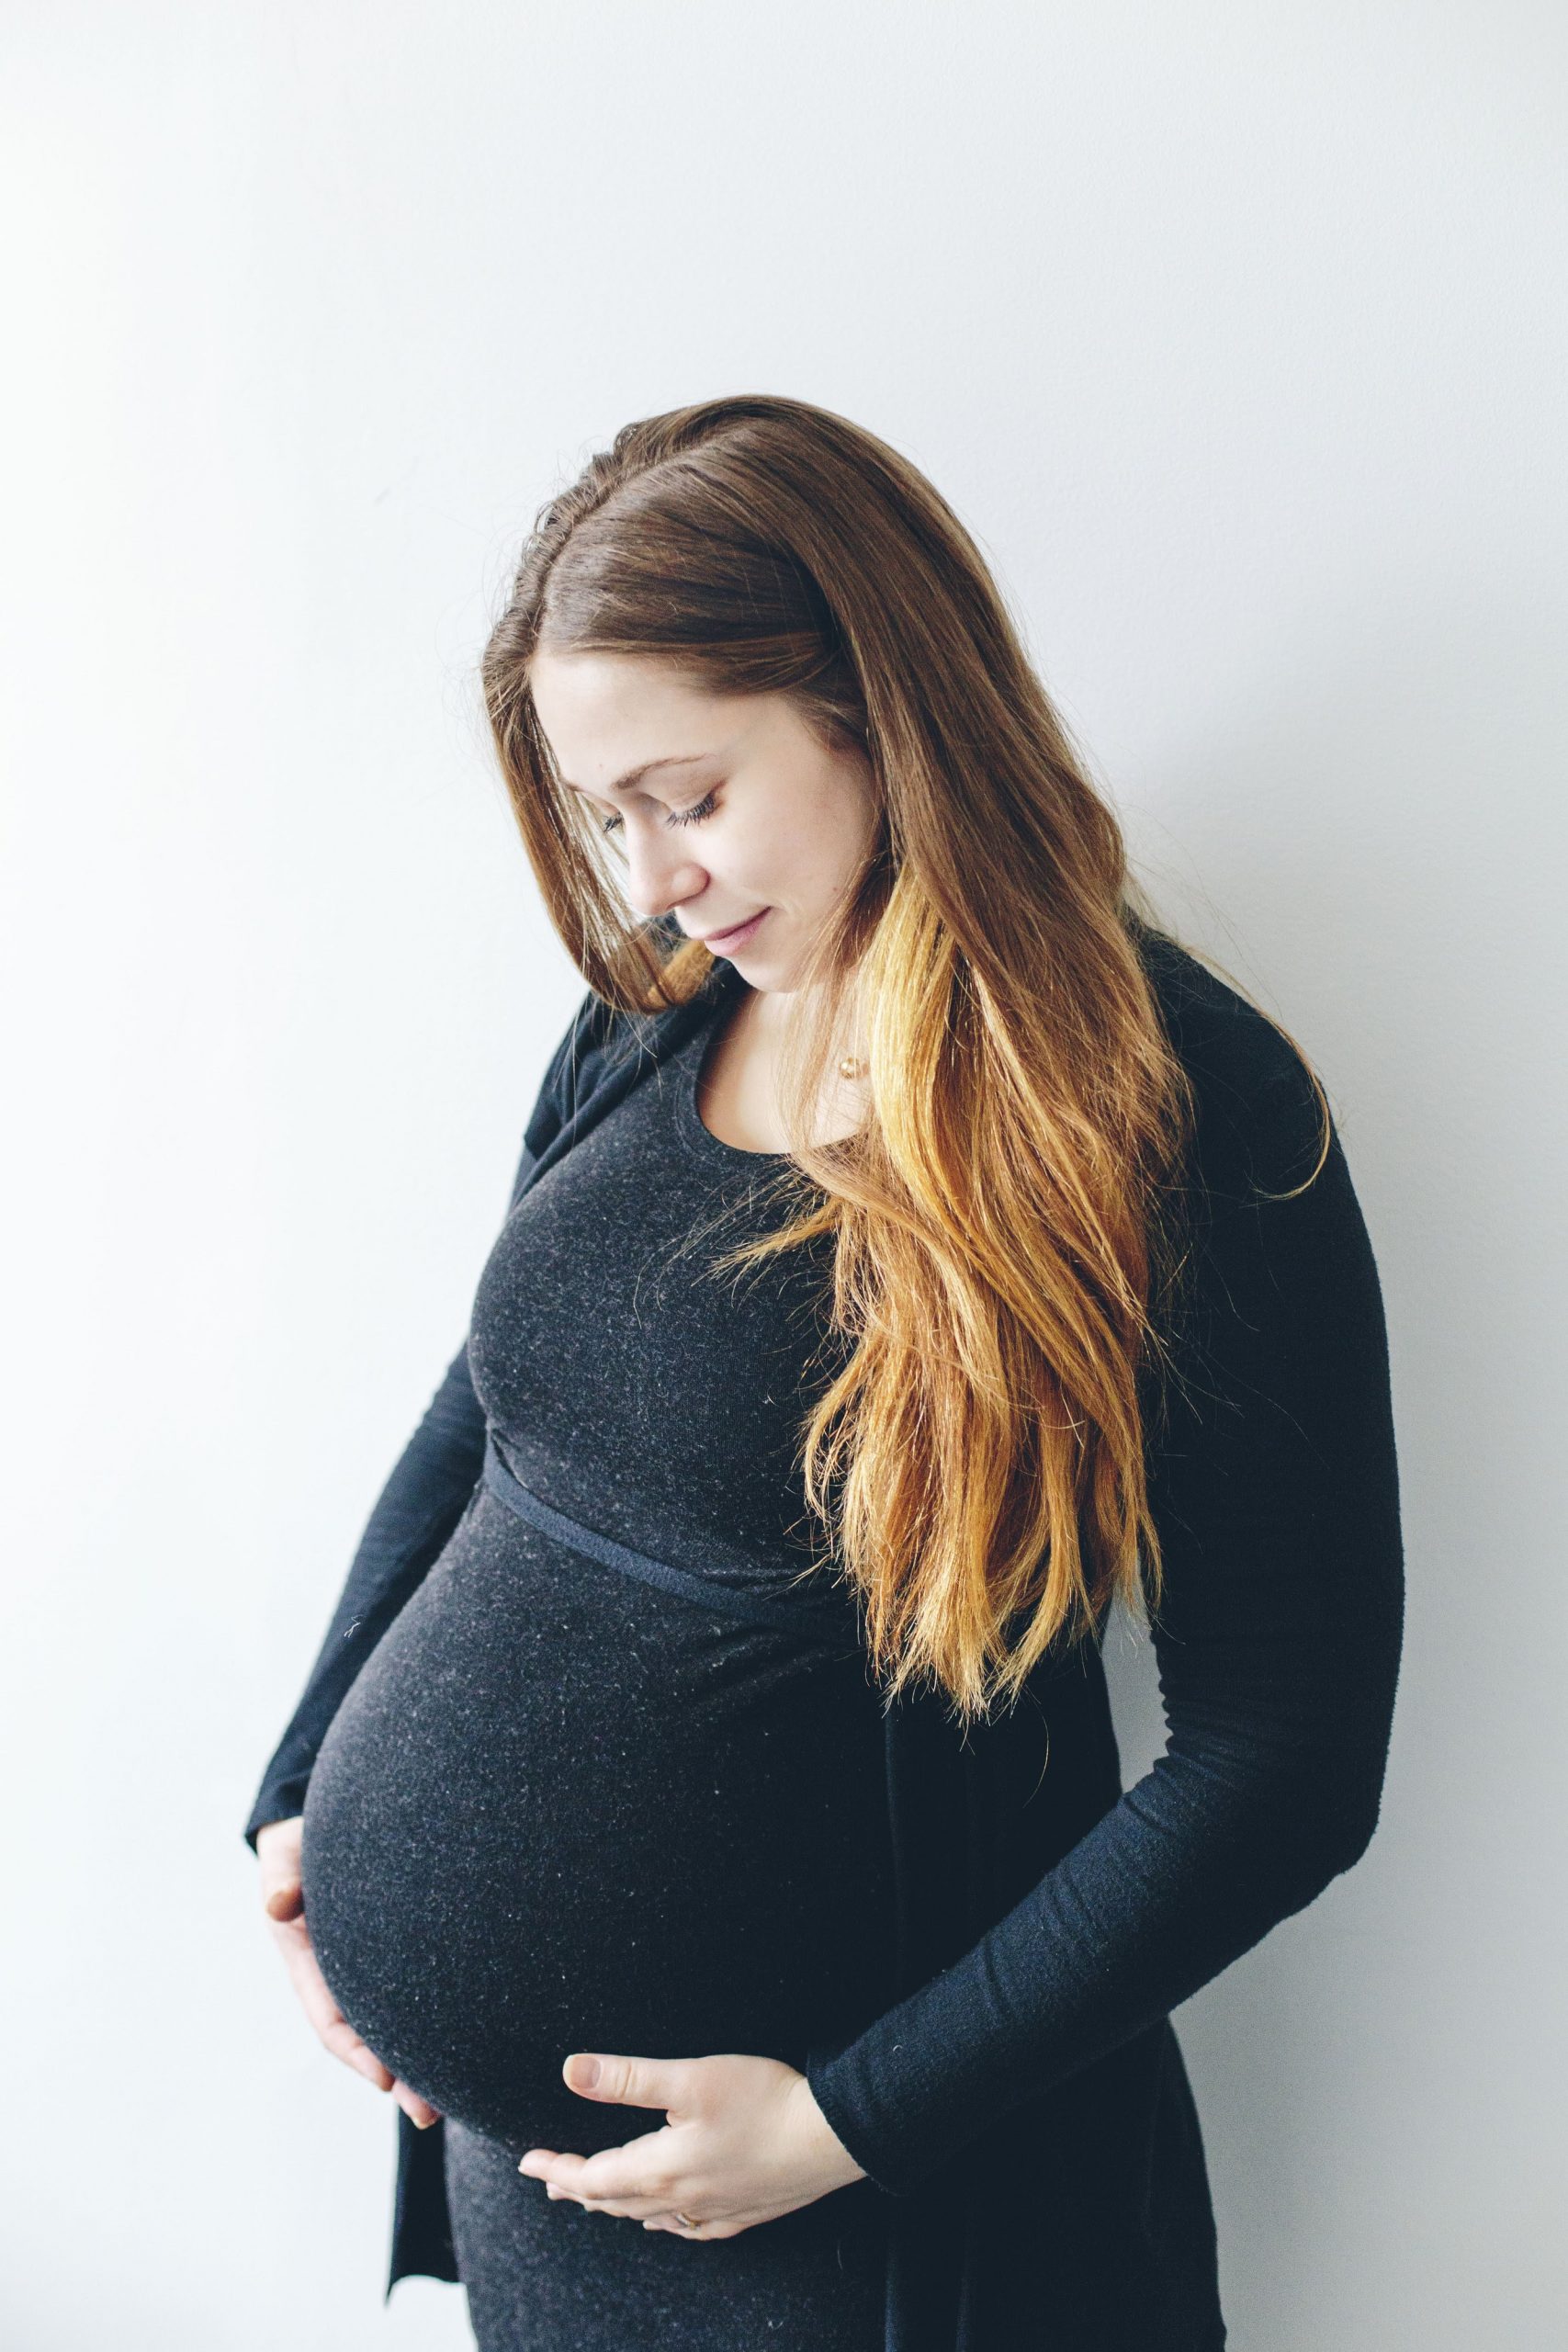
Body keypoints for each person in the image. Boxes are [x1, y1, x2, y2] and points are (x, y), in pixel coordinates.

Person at [246, 393, 1405, 2352]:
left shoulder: (1170, 1111)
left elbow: (1280, 1756)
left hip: (867, 2227)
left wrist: (836, 2124)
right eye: (607, 817)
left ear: (879, 704)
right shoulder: (654, 1022)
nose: (653, 881)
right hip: (549, 2194)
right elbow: (494, 1410)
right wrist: (303, 1803)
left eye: (686, 794)